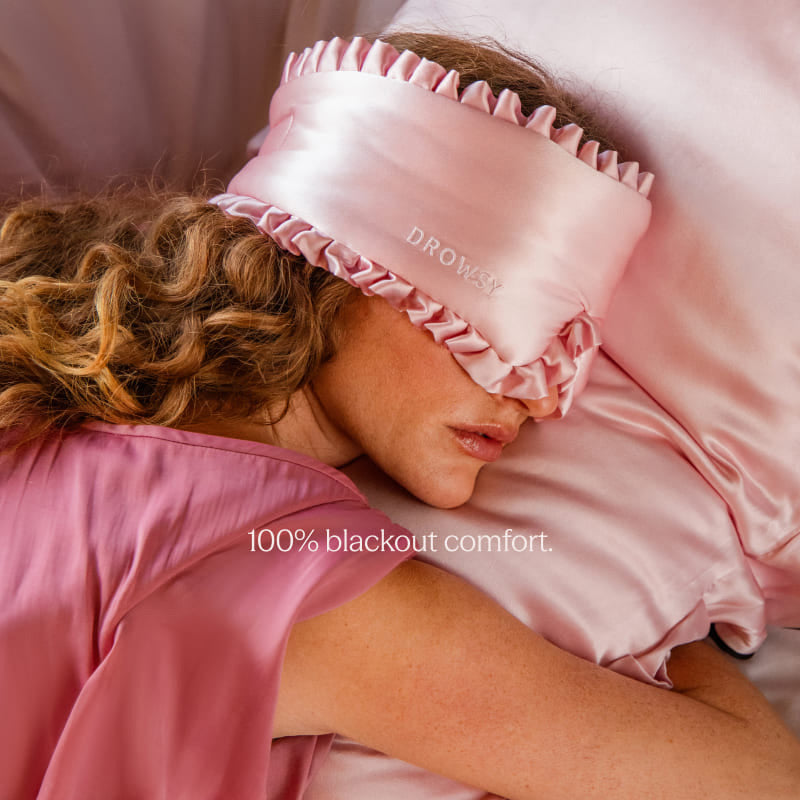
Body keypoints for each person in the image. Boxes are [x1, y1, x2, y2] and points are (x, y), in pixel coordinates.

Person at [1, 33, 798, 800]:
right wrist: (681, 620)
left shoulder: (38, 422)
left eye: (570, 351)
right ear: (354, 265)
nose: (546, 397)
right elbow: (761, 781)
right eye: (512, 326)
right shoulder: (322, 602)